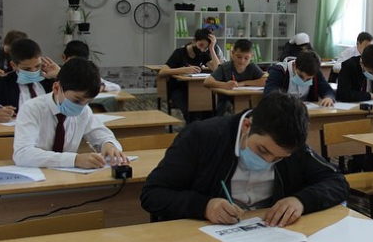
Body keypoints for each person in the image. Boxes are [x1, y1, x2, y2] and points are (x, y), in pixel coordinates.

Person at [140, 91, 350, 226]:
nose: (268, 161)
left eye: (278, 158)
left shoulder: (291, 146)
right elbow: (153, 193)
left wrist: (301, 201)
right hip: (207, 234)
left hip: (268, 233)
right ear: (247, 126)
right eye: (262, 150)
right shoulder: (201, 136)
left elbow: (337, 182)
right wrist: (204, 206)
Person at [12, 58, 129, 169]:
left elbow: (103, 136)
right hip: (38, 175)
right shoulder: (31, 109)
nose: (80, 107)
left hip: (68, 177)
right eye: (76, 100)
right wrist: (75, 160)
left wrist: (109, 145)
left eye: (87, 102)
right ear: (56, 88)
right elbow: (22, 154)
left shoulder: (84, 110)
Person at [0, 39, 60, 122]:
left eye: (37, 66)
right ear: (13, 65)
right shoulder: (0, 84)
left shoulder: (50, 81)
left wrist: (60, 75)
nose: (33, 71)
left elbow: (68, 102)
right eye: (27, 69)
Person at [159, 28, 223, 122]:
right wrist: (184, 70)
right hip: (178, 89)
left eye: (205, 48)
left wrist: (211, 49)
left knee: (209, 108)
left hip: (196, 88)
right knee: (192, 112)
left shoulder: (203, 54)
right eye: (201, 45)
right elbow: (162, 72)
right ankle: (192, 128)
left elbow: (217, 69)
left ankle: (204, 129)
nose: (202, 50)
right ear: (194, 40)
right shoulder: (179, 53)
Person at [204, 39, 265, 115]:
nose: (242, 61)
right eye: (239, 57)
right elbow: (207, 82)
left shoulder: (252, 67)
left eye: (246, 58)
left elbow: (265, 80)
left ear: (252, 57)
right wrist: (224, 85)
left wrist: (243, 83)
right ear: (232, 54)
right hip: (226, 104)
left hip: (247, 102)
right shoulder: (225, 67)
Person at [264, 50, 335, 107]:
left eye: (308, 79)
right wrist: (292, 103)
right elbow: (270, 95)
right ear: (294, 65)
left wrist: (329, 97)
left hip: (308, 112)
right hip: (284, 112)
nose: (304, 81)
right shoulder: (279, 71)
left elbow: (327, 89)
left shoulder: (314, 71)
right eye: (301, 76)